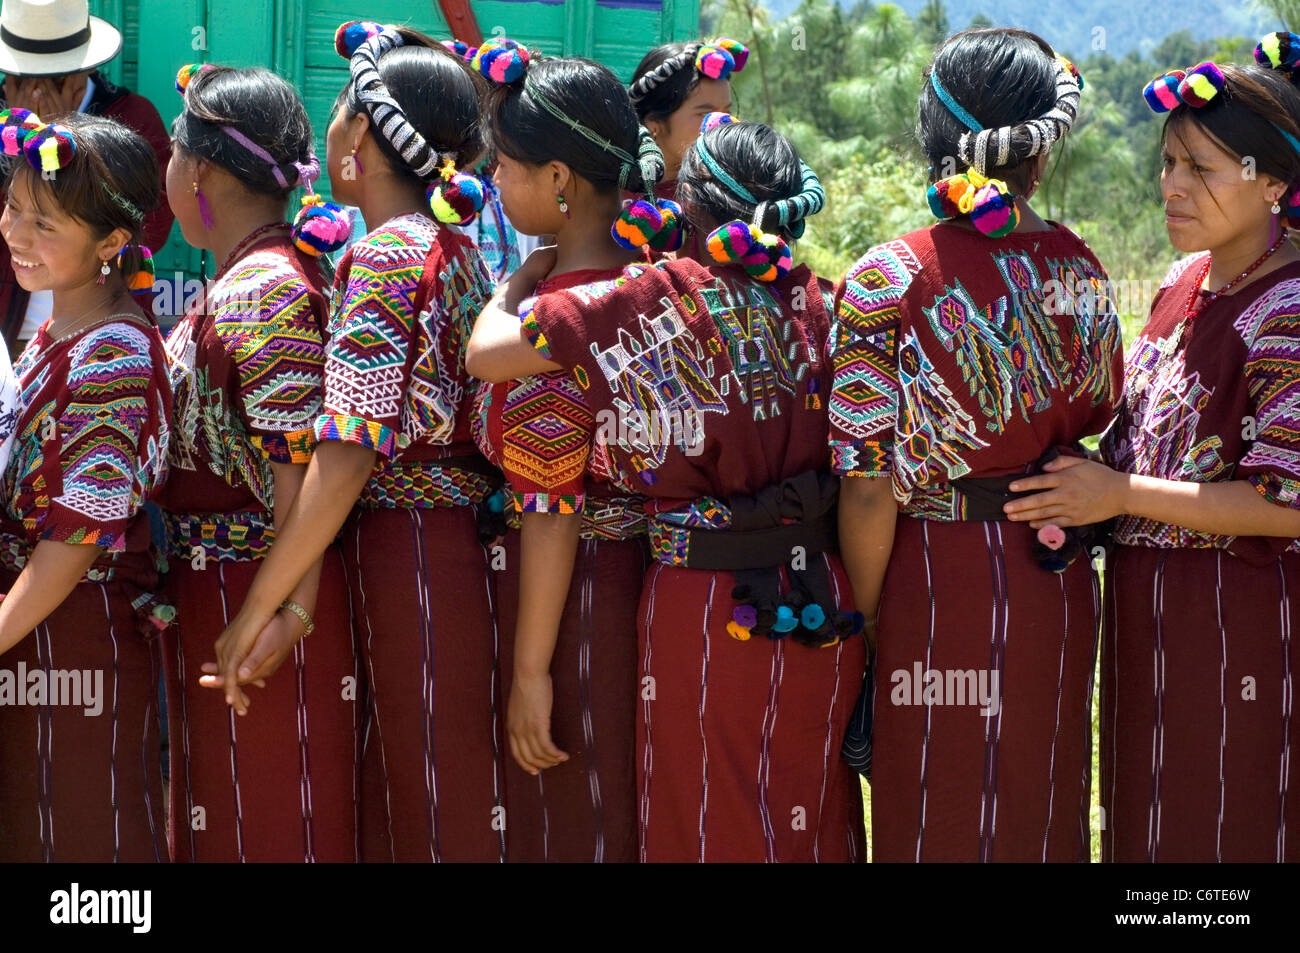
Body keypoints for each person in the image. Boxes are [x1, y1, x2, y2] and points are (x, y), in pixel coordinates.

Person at [469, 116, 867, 863]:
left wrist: (520, 280)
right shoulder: (823, 303)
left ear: (689, 205)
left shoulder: (656, 296)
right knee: (807, 806)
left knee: (705, 821)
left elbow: (488, 354)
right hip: (820, 591)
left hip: (711, 603)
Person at [205, 21, 502, 862]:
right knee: (430, 791)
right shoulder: (452, 247)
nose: (329, 132)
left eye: (338, 114)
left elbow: (347, 453)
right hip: (440, 545)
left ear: (362, 134)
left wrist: (259, 606)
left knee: (427, 796)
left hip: (412, 551)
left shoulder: (383, 256)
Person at [1005, 34, 1300, 862]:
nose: (1171, 185)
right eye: (1168, 162)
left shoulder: (1288, 308)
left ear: (1272, 181)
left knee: (1224, 823)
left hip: (1236, 620)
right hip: (1149, 618)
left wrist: (1119, 495)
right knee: (1146, 820)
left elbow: (1286, 503)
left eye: (1201, 169)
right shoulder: (1184, 284)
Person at [831, 28, 1121, 861]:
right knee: (1040, 796)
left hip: (932, 577)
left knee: (940, 806)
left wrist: (870, 618)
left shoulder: (888, 276)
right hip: (1049, 579)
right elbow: (1102, 407)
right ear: (1039, 156)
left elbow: (865, 484)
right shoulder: (1084, 269)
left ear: (931, 138)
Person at [469, 40, 676, 862]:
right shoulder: (652, 279)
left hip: (579, 600)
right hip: (647, 586)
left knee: (571, 816)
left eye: (507, 165)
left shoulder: (559, 324)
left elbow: (551, 509)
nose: (493, 183)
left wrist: (529, 671)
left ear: (559, 180)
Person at [158, 63, 357, 863]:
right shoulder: (250, 277)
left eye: (175, 154)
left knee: (271, 822)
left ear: (198, 170)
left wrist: (286, 614)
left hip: (258, 608)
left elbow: (297, 476)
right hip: (229, 599)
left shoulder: (266, 290)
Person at [0, 111, 171, 861]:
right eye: (11, 207)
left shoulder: (113, 355)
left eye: (45, 225)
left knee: (81, 843)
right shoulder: (57, 331)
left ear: (110, 245)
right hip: (32, 627)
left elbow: (75, 538)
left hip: (73, 633)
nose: (15, 233)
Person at [0, 0, 173, 356]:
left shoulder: (129, 117)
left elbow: (150, 227)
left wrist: (57, 134)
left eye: (52, 78)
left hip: (96, 331)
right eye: (22, 78)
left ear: (82, 73)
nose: (35, 92)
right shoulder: (6, 121)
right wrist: (22, 146)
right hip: (11, 335)